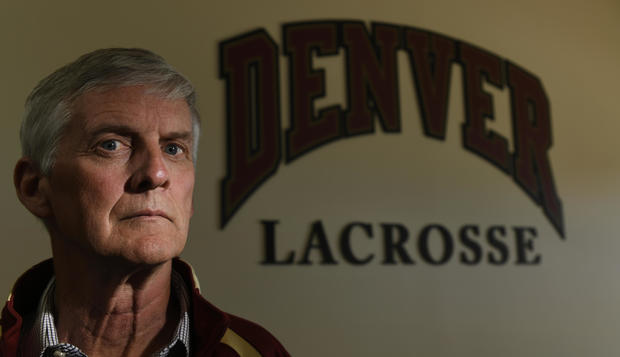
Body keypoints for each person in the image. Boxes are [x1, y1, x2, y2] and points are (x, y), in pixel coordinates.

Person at [0, 48, 290, 357]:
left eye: (174, 149)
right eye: (111, 145)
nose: (156, 173)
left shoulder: (256, 352)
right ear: (34, 188)